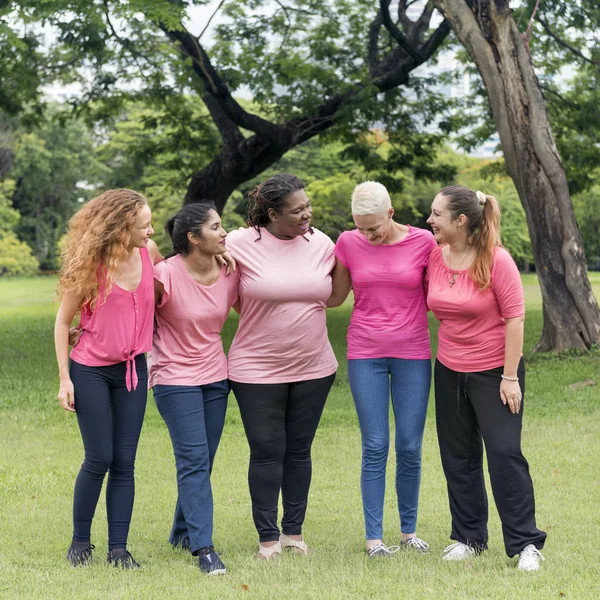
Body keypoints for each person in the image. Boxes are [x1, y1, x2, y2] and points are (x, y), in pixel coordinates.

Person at [426, 185, 547, 571]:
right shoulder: (435, 255)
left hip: (495, 372)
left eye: (436, 215)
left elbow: (515, 318)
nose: (429, 220)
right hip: (448, 370)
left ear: (461, 220)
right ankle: (468, 537)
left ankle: (526, 543)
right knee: (458, 458)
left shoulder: (497, 260)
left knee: (504, 454)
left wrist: (509, 377)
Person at [225, 173, 338, 560]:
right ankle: (267, 539)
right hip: (255, 369)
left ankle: (294, 533)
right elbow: (211, 279)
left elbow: (334, 296)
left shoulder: (322, 243)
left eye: (307, 205)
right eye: (297, 210)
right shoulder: (239, 243)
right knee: (267, 450)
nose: (307, 214)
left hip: (314, 366)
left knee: (299, 450)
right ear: (272, 214)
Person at [327, 181, 436, 558]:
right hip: (365, 352)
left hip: (413, 352)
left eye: (373, 226)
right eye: (360, 227)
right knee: (375, 445)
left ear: (391, 213)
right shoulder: (347, 242)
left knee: (409, 445)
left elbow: (438, 294)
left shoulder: (424, 242)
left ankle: (408, 532)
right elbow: (336, 296)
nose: (367, 234)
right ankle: (374, 539)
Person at [54, 189, 160, 569]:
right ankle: (80, 541)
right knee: (99, 456)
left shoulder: (150, 254)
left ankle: (119, 549)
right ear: (120, 227)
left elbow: (173, 280)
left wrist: (218, 254)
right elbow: (63, 322)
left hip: (133, 369)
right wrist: (65, 379)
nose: (150, 231)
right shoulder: (90, 267)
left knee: (125, 461)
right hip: (91, 371)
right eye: (143, 225)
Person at [149, 203, 239, 576]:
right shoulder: (164, 275)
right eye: (216, 227)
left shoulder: (230, 272)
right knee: (194, 461)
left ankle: (181, 532)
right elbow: (133, 314)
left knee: (203, 460)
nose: (224, 233)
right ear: (192, 237)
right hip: (173, 378)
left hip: (216, 376)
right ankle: (205, 549)